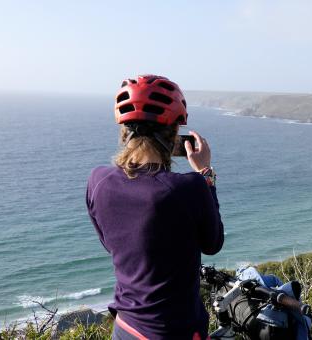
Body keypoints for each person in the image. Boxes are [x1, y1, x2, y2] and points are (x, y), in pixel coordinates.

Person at [86, 75, 224, 339]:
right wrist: (206, 173)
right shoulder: (188, 187)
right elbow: (213, 243)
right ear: (173, 134)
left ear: (124, 131)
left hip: (125, 327)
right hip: (174, 331)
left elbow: (110, 242)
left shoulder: (97, 180)